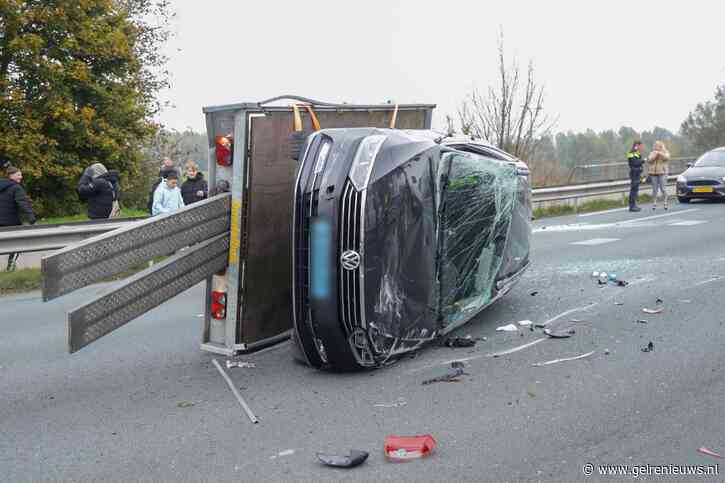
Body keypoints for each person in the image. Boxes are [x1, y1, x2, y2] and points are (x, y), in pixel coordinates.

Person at [0, 165, 36, 271]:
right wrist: (31, 217)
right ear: (11, 175)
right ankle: (11, 265)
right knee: (18, 243)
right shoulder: (16, 187)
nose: (21, 177)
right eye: (18, 175)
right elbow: (23, 203)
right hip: (11, 221)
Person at [647, 141, 671, 210]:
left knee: (663, 188)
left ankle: (665, 202)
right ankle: (654, 203)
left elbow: (667, 158)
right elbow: (649, 160)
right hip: (653, 173)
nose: (655, 147)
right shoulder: (652, 153)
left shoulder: (665, 152)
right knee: (654, 189)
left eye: (657, 146)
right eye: (655, 146)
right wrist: (655, 154)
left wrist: (660, 153)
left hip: (662, 173)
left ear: (660, 146)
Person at [627, 141, 645, 212]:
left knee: (635, 190)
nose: (642, 148)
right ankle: (632, 206)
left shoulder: (637, 153)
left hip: (637, 173)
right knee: (633, 190)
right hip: (634, 173)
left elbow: (638, 162)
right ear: (637, 145)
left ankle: (634, 205)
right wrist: (643, 160)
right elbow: (635, 162)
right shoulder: (631, 153)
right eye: (641, 146)